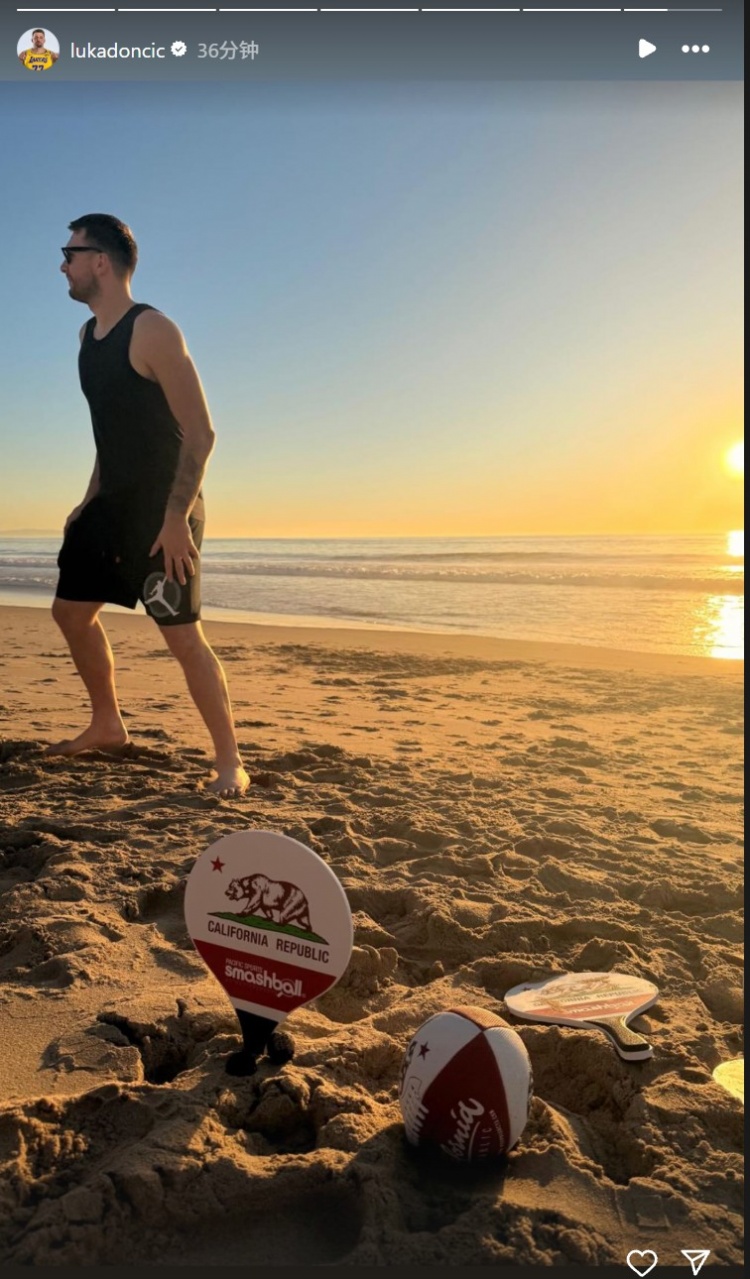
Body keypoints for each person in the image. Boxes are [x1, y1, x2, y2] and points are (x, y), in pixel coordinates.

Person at [49, 213, 250, 799]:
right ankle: (108, 724)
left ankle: (230, 762)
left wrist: (176, 518)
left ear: (101, 261)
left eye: (70, 253)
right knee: (70, 613)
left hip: (166, 511)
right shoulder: (87, 338)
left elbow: (201, 433)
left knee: (182, 636)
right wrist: (87, 502)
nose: (63, 265)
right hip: (111, 504)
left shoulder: (153, 329)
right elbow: (110, 433)